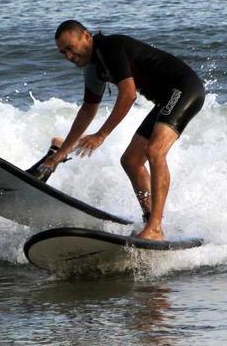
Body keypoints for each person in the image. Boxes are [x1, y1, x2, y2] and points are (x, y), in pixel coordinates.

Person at [37, 20, 205, 240]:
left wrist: (102, 135)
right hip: (166, 101)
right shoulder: (93, 70)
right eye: (63, 53)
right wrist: (61, 153)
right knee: (131, 161)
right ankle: (150, 221)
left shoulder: (110, 47)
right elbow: (88, 110)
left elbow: (128, 94)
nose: (69, 56)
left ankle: (155, 227)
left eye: (70, 48)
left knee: (155, 151)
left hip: (184, 89)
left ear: (86, 36)